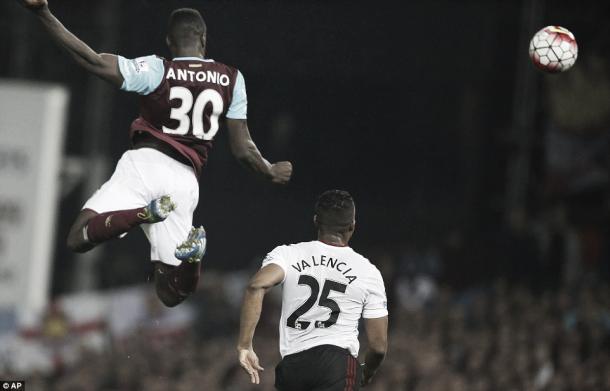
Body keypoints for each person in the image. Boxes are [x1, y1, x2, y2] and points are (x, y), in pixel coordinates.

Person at [19, 0, 293, 307]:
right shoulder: (231, 78)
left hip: (144, 166)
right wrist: (269, 170)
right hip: (184, 183)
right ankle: (193, 259)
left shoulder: (157, 69)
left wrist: (43, 13)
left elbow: (93, 61)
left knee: (78, 236)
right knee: (173, 293)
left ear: (169, 42)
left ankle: (142, 214)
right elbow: (243, 149)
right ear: (203, 39)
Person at [237, 190, 388, 390]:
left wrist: (245, 345)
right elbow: (378, 347)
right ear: (352, 226)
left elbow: (256, 285)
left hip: (293, 368)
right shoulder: (368, 272)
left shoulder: (288, 254)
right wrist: (367, 373)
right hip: (337, 365)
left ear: (316, 221)